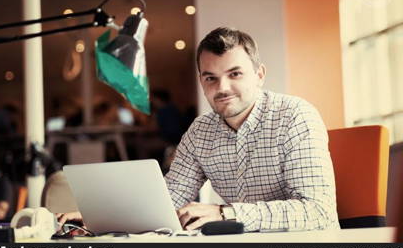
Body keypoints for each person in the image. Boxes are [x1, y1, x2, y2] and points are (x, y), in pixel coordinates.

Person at [57, 27, 340, 233]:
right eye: (211, 78)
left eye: (235, 74)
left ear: (260, 74)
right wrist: (98, 217)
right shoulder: (200, 131)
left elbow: (316, 211)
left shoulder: (295, 116)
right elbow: (168, 199)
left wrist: (225, 213)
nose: (222, 88)